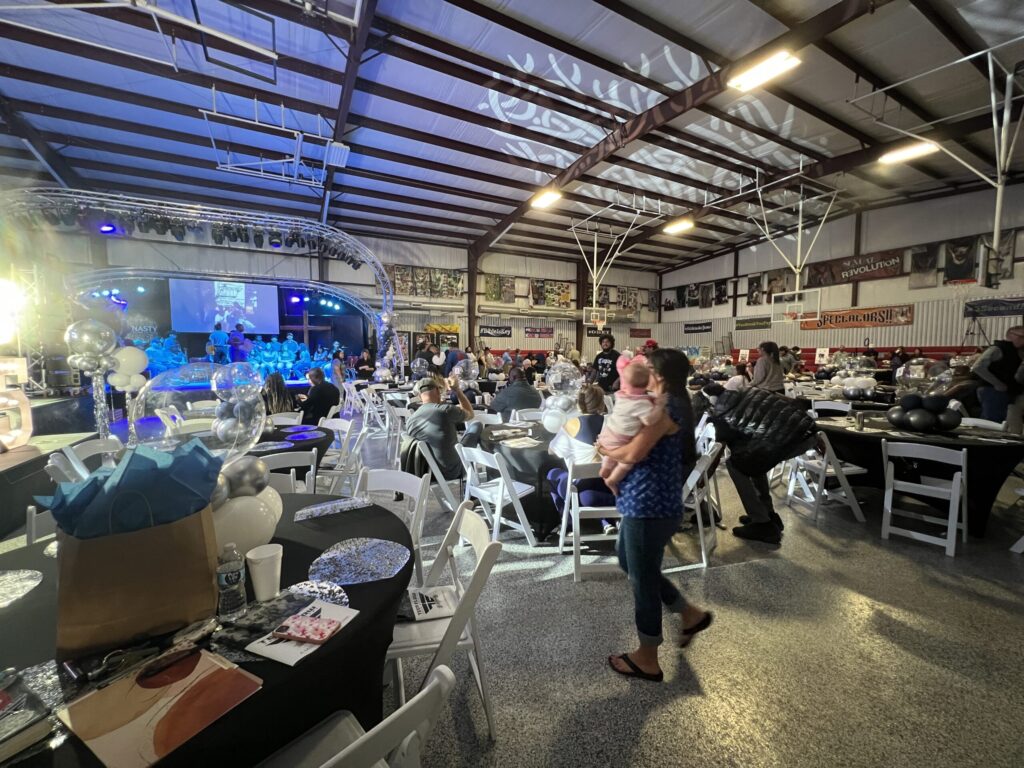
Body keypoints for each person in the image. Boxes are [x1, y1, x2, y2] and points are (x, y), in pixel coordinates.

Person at [598, 348, 712, 682]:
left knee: (642, 579)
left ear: (659, 375)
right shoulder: (662, 403)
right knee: (629, 561)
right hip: (644, 500)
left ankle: (648, 656)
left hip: (649, 505)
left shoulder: (666, 408)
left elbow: (634, 452)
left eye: (647, 367)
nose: (641, 371)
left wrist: (604, 448)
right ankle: (689, 614)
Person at [547, 384, 618, 535]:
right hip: (612, 492)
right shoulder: (612, 423)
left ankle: (568, 525)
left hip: (582, 495)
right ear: (602, 403)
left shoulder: (570, 426)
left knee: (552, 474)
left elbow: (551, 451)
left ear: (578, 404)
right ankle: (607, 522)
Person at [598, 362, 662, 495]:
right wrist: (659, 406)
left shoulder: (621, 396)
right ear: (646, 384)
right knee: (626, 463)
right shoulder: (641, 403)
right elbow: (649, 420)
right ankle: (612, 480)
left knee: (611, 453)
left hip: (607, 435)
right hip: (621, 440)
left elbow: (639, 394)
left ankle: (606, 467)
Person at [403, 376, 475, 480]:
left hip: (428, 473)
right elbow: (470, 414)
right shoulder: (446, 410)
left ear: (419, 396)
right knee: (476, 426)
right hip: (453, 471)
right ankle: (484, 475)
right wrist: (457, 390)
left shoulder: (410, 421)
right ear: (437, 391)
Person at [972, 326, 1024, 429]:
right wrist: (997, 384)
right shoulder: (998, 348)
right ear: (1011, 335)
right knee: (992, 422)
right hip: (992, 390)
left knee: (1001, 422)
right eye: (1022, 337)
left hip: (1006, 392)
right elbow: (978, 367)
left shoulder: (1016, 351)